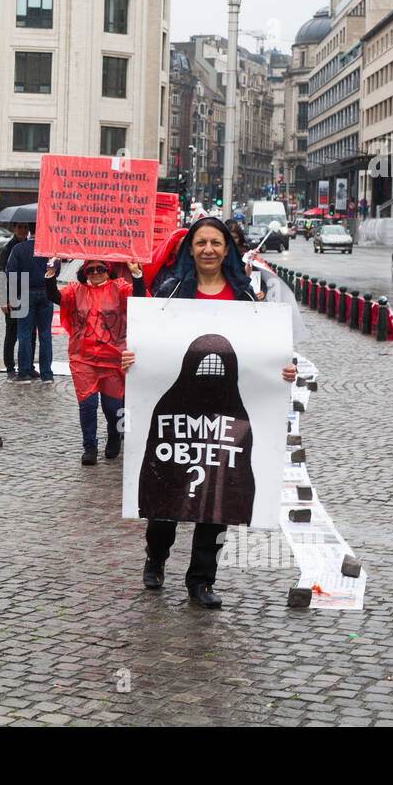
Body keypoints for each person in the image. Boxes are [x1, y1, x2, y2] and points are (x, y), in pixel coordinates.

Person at [121, 216, 297, 609]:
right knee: (167, 490)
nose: (208, 250)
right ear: (191, 248)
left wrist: (284, 370)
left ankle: (201, 580)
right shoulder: (172, 290)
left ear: (227, 249)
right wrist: (133, 356)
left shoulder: (245, 297)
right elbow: (150, 343)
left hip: (225, 414)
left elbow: (265, 352)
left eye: (216, 243)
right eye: (200, 242)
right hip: (179, 411)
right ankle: (156, 555)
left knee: (220, 499)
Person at [45, 258, 145, 465]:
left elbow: (139, 297)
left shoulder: (119, 288)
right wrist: (50, 272)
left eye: (101, 268)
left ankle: (115, 434)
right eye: (91, 269)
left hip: (113, 359)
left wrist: (136, 274)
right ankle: (89, 446)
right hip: (83, 359)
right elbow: (54, 296)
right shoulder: (75, 291)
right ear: (84, 272)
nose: (96, 272)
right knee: (88, 405)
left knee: (112, 407)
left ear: (108, 271)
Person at [5, 227, 53, 382]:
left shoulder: (19, 249)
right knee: (45, 335)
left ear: (29, 231)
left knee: (24, 334)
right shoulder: (48, 248)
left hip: (25, 293)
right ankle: (46, 374)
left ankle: (24, 372)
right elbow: (56, 271)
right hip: (46, 292)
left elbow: (10, 272)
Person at [0, 222, 36, 380]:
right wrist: (3, 299)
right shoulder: (7, 248)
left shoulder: (32, 246)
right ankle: (10, 367)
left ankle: (29, 365)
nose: (23, 231)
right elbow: (0, 274)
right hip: (12, 295)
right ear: (14, 229)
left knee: (31, 333)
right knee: (12, 333)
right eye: (20, 227)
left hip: (28, 294)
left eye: (26, 228)